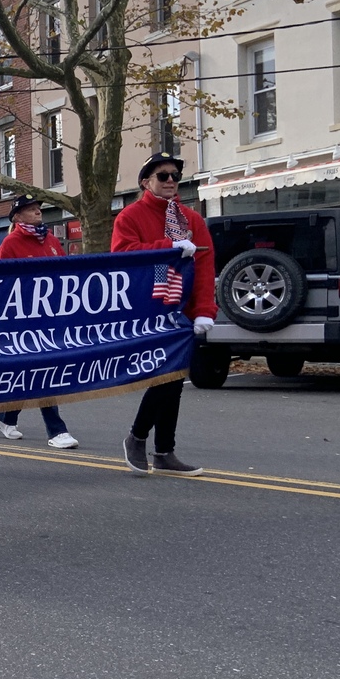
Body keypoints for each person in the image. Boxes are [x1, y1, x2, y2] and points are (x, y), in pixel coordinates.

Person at [113, 152, 216, 476]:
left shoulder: (192, 220)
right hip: (149, 309)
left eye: (175, 175)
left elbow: (203, 267)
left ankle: (163, 451)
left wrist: (204, 311)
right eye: (163, 175)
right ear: (146, 181)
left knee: (174, 378)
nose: (171, 180)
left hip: (181, 311)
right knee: (163, 376)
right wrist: (166, 246)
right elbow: (122, 256)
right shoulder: (130, 216)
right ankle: (138, 437)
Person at [0, 196, 79, 450]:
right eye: (30, 210)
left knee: (27, 372)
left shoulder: (50, 240)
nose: (37, 211)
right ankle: (57, 430)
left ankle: (5, 417)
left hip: (50, 316)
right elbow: (1, 285)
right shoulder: (11, 244)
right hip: (24, 319)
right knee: (43, 369)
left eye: (38, 208)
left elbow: (65, 274)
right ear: (17, 217)